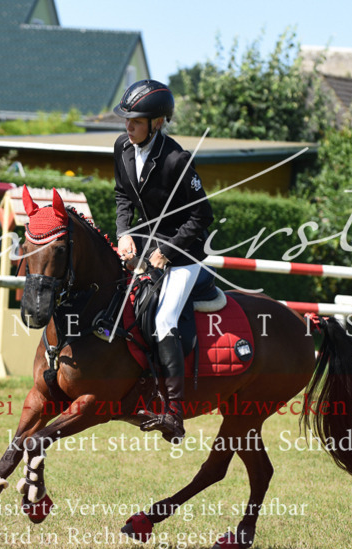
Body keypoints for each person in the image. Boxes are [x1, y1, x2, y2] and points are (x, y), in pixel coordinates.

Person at [113, 79, 214, 444]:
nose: (128, 126)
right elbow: (123, 197)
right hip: (144, 246)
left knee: (164, 318)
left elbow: (202, 216)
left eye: (136, 121)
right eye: (126, 120)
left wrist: (168, 250)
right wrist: (124, 233)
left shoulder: (177, 159)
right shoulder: (122, 147)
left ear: (156, 122)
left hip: (185, 254)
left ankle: (174, 413)